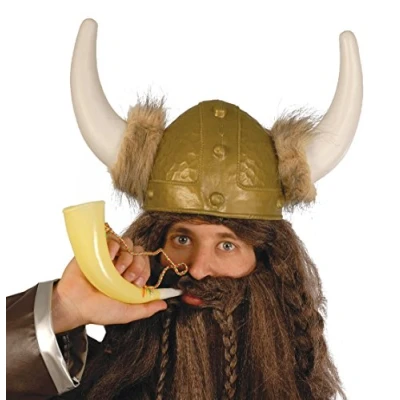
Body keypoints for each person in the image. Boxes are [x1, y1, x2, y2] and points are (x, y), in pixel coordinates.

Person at [6, 18, 363, 400]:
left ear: (268, 263)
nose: (197, 269)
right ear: (150, 243)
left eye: (227, 245)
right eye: (181, 239)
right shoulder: (83, 382)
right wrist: (64, 308)